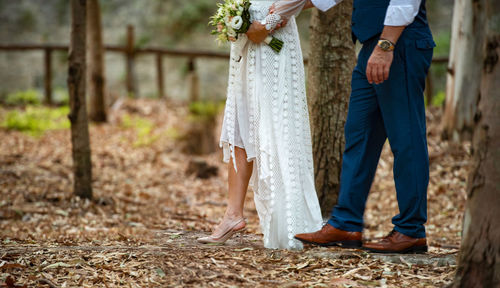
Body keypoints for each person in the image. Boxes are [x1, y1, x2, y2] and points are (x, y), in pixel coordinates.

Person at [292, 0, 435, 254]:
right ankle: (346, 222)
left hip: (398, 44)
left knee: (406, 139)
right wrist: (275, 9)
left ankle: (411, 230)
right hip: (373, 47)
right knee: (359, 135)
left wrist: (385, 45)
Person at [197, 0, 323, 249]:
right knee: (237, 123)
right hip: (247, 44)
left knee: (274, 127)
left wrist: (271, 21)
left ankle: (287, 220)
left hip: (273, 45)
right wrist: (235, 17)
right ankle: (232, 214)